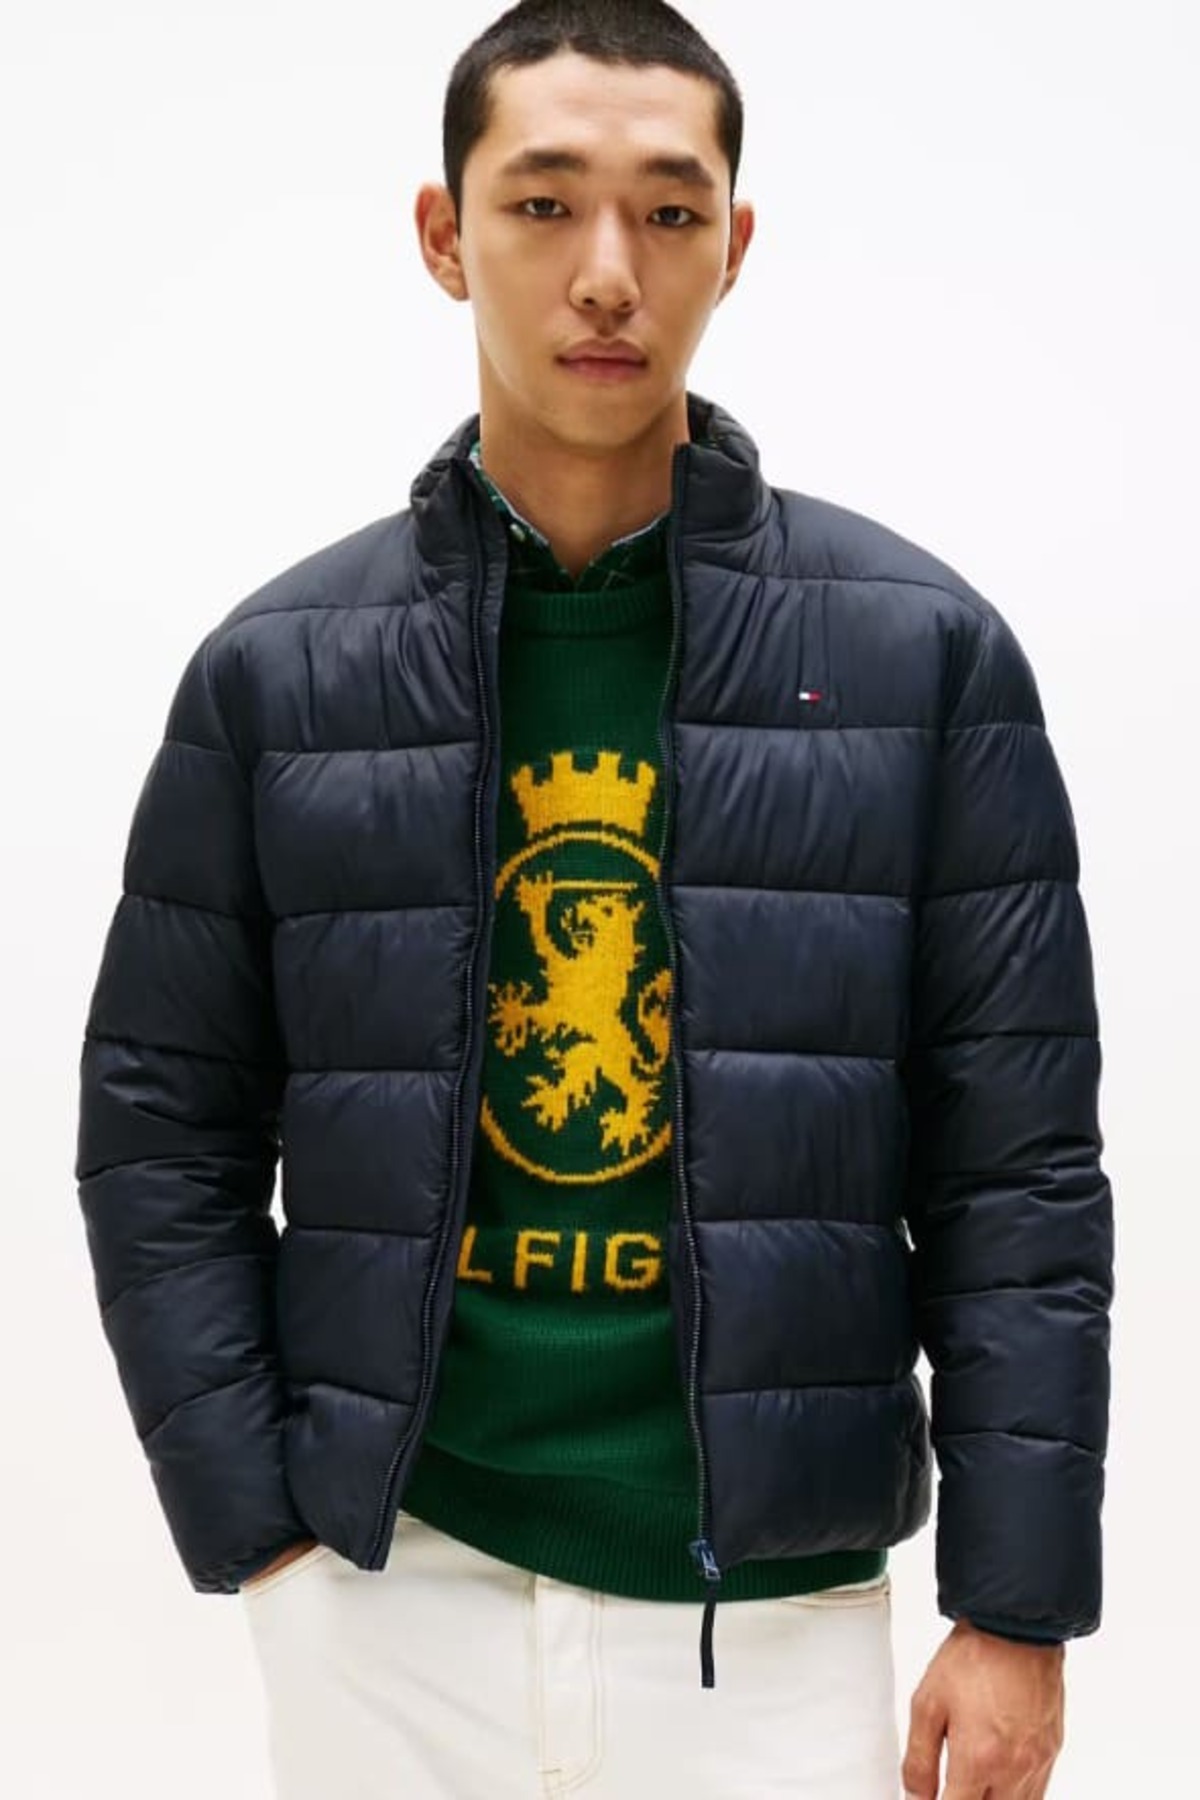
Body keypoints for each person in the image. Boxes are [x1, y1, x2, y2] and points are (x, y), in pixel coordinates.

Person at [74, 2, 1113, 1795]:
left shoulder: (923, 661)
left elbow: (1016, 1170)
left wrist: (1016, 1607)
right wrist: (263, 1535)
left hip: (767, 1624)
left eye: (670, 211)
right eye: (545, 205)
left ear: (736, 243)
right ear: (443, 232)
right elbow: (160, 1133)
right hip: (388, 1597)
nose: (610, 273)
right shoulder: (278, 678)